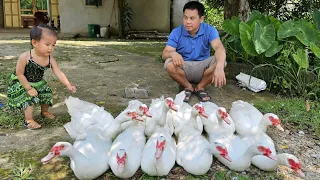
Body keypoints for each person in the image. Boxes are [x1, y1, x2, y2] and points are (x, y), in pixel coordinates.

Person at [6, 24, 76, 129]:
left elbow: (58, 72)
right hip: (22, 82)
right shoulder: (25, 57)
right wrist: (28, 88)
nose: (50, 48)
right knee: (29, 97)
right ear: (34, 42)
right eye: (47, 44)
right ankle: (28, 119)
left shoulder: (50, 59)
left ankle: (44, 111)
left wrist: (68, 84)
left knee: (46, 91)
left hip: (38, 82)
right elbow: (19, 74)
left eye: (53, 45)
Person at [162, 1, 226, 102]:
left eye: (192, 18)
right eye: (185, 17)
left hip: (204, 68)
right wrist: (173, 53)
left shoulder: (209, 30)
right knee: (169, 64)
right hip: (184, 67)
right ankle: (188, 87)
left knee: (221, 61)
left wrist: (219, 67)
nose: (187, 21)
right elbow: (165, 53)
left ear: (201, 19)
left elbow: (219, 48)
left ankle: (200, 87)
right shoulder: (176, 32)